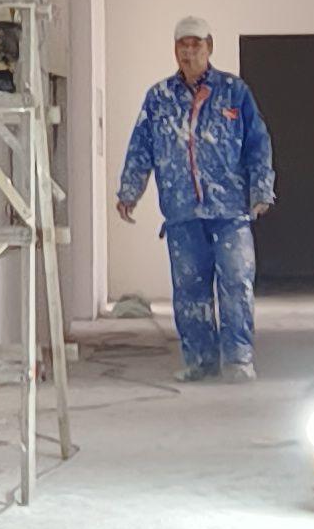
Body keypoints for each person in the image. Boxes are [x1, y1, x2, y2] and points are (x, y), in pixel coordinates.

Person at [116, 19, 275, 382]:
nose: (189, 52)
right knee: (190, 290)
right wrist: (129, 191)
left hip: (230, 210)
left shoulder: (234, 92)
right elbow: (141, 146)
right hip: (182, 211)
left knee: (236, 282)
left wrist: (261, 189)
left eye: (196, 45)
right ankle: (200, 360)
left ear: (210, 47)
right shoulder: (159, 98)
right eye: (182, 46)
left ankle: (238, 358)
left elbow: (257, 144)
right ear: (175, 50)